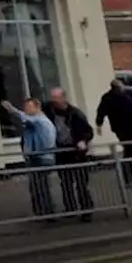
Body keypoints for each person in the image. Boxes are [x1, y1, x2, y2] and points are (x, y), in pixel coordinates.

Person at [45, 87, 95, 222]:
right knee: (66, 182)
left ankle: (86, 209)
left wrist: (83, 141)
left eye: (56, 97)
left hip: (77, 153)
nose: (54, 100)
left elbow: (88, 131)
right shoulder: (49, 111)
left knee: (81, 183)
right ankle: (70, 208)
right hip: (62, 153)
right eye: (52, 97)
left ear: (63, 97)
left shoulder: (76, 114)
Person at [1, 98, 57, 219]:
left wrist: (11, 109)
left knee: (40, 186)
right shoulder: (38, 121)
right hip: (38, 156)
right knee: (39, 186)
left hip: (40, 157)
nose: (26, 110)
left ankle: (46, 212)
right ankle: (43, 211)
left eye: (29, 107)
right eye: (25, 107)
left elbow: (27, 119)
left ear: (37, 107)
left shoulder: (40, 121)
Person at [95, 79, 132, 185]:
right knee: (129, 152)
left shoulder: (110, 97)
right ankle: (131, 176)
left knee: (129, 151)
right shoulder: (123, 97)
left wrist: (99, 124)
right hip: (126, 128)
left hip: (125, 128)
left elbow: (101, 111)